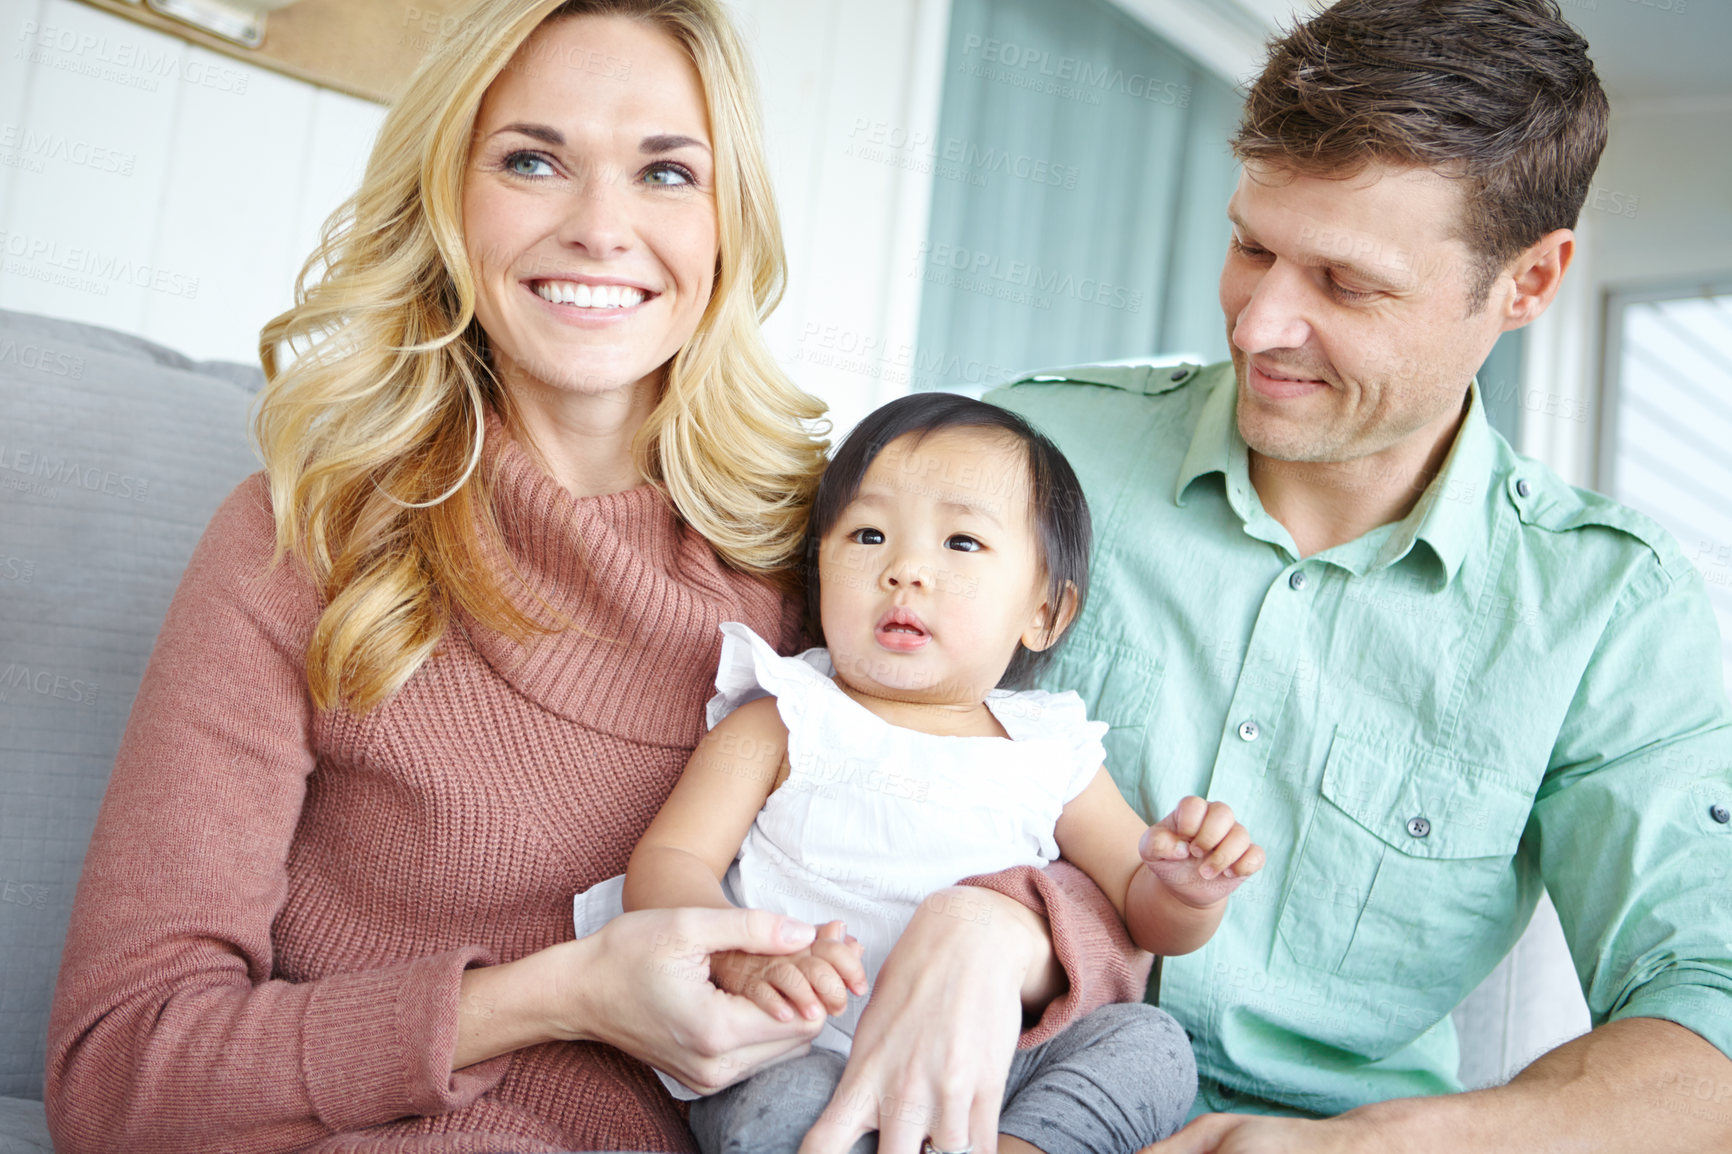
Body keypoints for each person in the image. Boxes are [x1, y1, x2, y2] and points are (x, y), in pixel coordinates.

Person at [42, 3, 1148, 1151]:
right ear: (446, 197)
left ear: (728, 221)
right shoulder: (306, 541)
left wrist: (996, 930)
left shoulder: (828, 543)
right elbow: (120, 1069)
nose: (600, 227)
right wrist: (559, 992)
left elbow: (1092, 883)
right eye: (532, 160)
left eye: (666, 172)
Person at [981, 1, 1732, 1152]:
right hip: (972, 1084)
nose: (1257, 324)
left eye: (1345, 282)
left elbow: (1708, 1008)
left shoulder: (1608, 615)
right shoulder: (1024, 455)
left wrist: (1377, 1145)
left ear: (1527, 283)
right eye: (1251, 246)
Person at [606, 393, 1264, 1154]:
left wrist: (1186, 889)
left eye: (961, 543)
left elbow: (1144, 918)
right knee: (765, 1099)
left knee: (1149, 1045)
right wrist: (744, 956)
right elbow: (671, 861)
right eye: (869, 533)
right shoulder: (787, 717)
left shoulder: (1050, 750)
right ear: (819, 571)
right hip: (814, 1050)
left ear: (1044, 614)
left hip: (993, 1070)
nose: (905, 570)